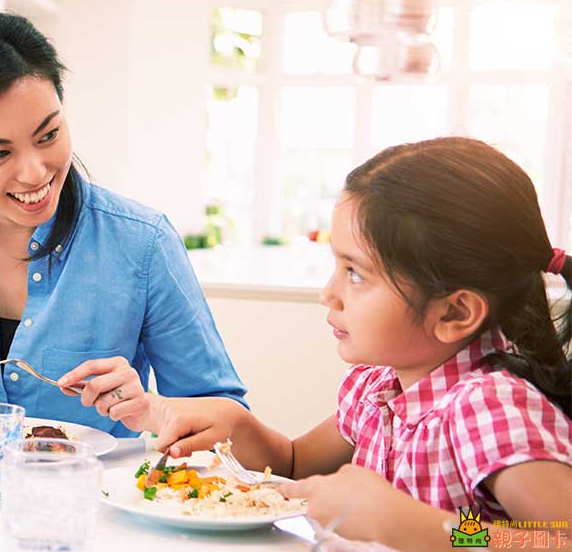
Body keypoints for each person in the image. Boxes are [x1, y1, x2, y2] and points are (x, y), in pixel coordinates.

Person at [127, 137, 572, 550]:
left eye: (356, 273)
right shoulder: (376, 387)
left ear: (454, 313)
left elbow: (557, 540)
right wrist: (234, 424)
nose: (329, 293)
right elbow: (297, 462)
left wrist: (417, 527)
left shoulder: (490, 406)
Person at [0, 10, 246, 435]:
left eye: (48, 136)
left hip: (92, 497)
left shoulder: (143, 243)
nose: (35, 173)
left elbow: (226, 417)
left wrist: (150, 407)